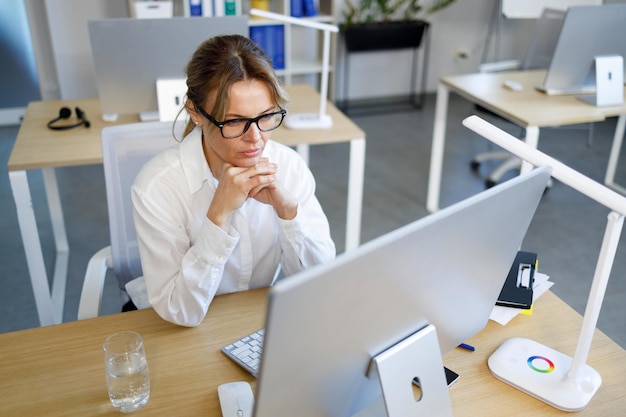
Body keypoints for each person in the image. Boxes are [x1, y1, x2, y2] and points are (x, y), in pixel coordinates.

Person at [129, 34, 336, 327]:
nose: (256, 138)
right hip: (186, 329)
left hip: (258, 318)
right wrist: (218, 217)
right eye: (235, 121)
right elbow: (180, 311)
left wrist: (289, 212)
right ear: (195, 112)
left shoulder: (289, 166)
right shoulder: (157, 187)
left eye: (266, 117)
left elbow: (319, 284)